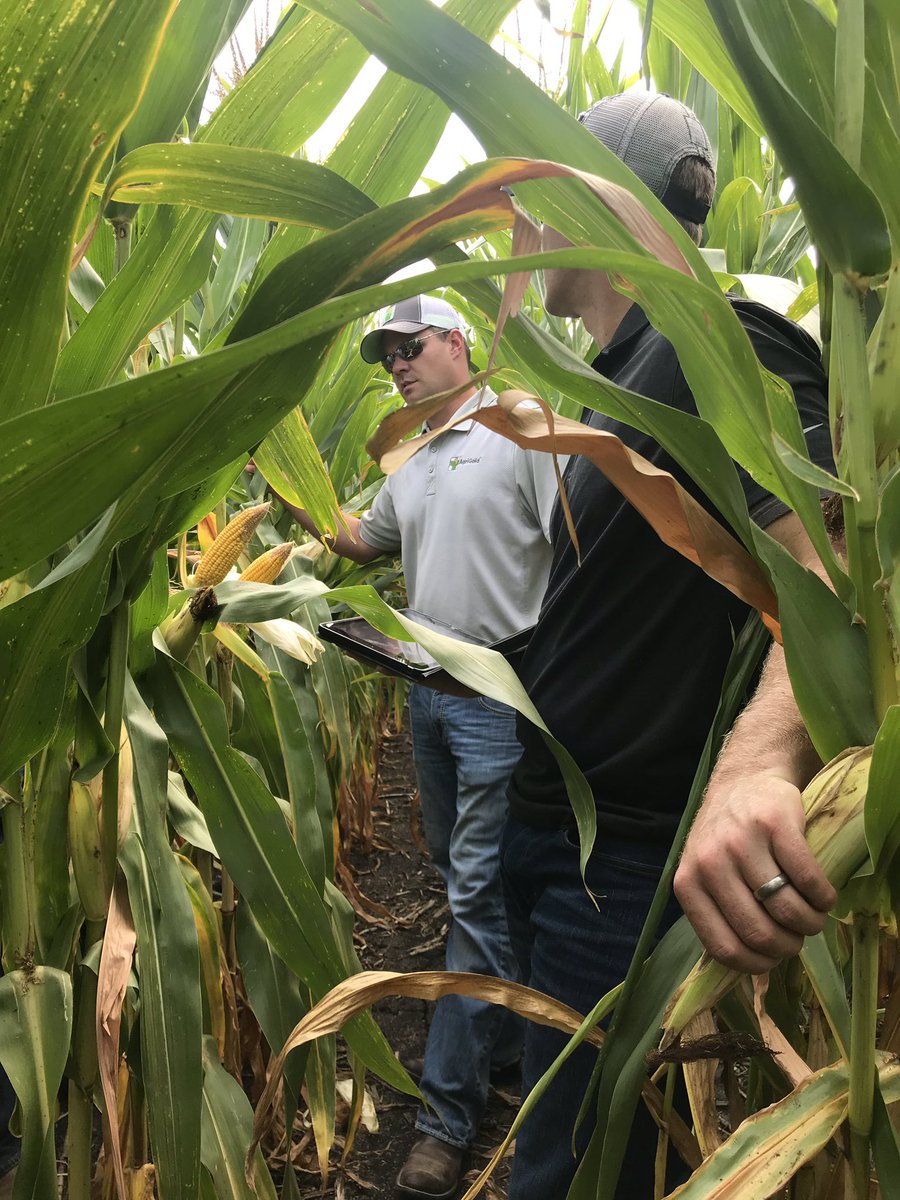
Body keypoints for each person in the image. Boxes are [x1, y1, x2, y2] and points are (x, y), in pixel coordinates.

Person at [499, 92, 838, 1199]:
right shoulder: (624, 377)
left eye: (531, 196)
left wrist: (756, 763)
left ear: (585, 200)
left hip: (634, 880)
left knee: (577, 1177)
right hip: (567, 858)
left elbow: (835, 575)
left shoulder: (721, 346)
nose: (514, 228)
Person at [277, 295, 563, 1199]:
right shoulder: (409, 458)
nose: (397, 364)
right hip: (425, 699)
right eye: (386, 354)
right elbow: (363, 542)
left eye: (410, 346)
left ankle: (446, 1117)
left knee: (474, 893)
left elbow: (579, 551)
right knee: (459, 875)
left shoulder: (522, 430)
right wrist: (281, 481)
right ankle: (512, 1037)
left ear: (456, 344)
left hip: (495, 695)